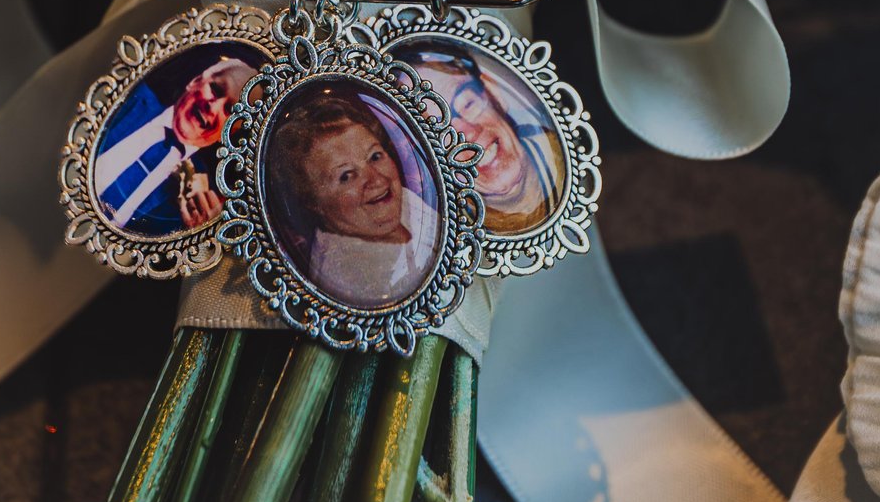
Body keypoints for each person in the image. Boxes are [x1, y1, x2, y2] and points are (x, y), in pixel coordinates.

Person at [266, 88, 439, 309]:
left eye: (375, 156)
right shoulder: (352, 280)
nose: (377, 179)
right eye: (346, 176)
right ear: (312, 202)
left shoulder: (398, 199)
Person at [94, 53, 256, 235]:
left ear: (228, 134)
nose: (213, 107)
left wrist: (199, 233)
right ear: (196, 81)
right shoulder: (129, 97)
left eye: (230, 112)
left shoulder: (202, 206)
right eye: (216, 89)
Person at [414, 47, 561, 234]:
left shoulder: (570, 157)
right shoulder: (448, 237)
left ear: (493, 93)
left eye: (468, 104)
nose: (469, 134)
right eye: (439, 133)